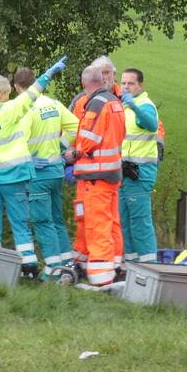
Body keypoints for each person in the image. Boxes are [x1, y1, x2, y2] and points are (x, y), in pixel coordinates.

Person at [0, 57, 68, 275]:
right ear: (3, 94)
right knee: (20, 223)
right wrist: (49, 73)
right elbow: (32, 94)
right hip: (12, 177)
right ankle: (29, 266)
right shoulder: (9, 110)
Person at [66, 57, 126, 287]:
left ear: (84, 84)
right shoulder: (115, 102)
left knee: (96, 222)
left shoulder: (96, 104)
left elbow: (89, 139)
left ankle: (100, 274)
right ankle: (109, 264)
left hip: (95, 175)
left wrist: (72, 155)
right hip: (111, 174)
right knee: (110, 222)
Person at [13, 67, 78, 277]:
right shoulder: (54, 104)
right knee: (57, 220)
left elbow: (19, 142)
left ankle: (52, 270)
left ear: (16, 87)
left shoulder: (26, 109)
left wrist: (28, 159)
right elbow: (75, 127)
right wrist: (60, 146)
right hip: (56, 171)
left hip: (38, 174)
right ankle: (68, 264)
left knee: (43, 222)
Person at [118, 68, 160, 264]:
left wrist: (135, 107)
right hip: (124, 172)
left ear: (140, 86)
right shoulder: (125, 106)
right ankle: (131, 267)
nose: (126, 87)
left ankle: (150, 268)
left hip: (140, 173)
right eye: (124, 83)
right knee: (125, 222)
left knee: (140, 223)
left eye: (131, 83)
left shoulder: (144, 105)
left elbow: (152, 125)